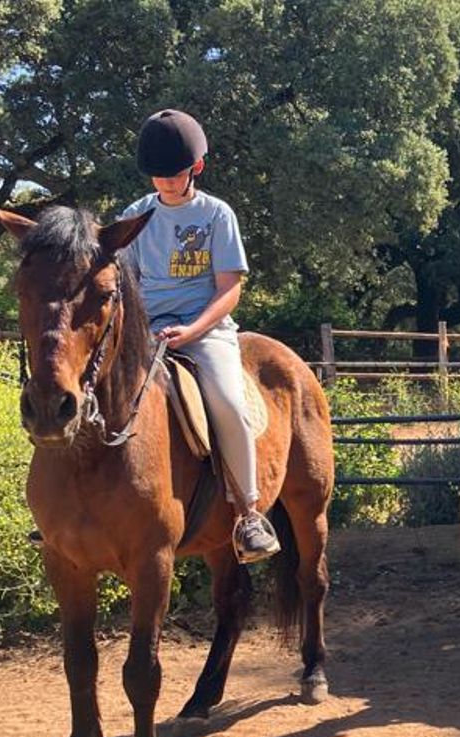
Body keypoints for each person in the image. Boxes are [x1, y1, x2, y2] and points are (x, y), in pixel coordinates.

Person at [121, 109, 279, 562]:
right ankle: (67, 510)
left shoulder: (216, 215)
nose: (166, 183)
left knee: (229, 404)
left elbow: (230, 289)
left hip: (204, 329)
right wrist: (137, 331)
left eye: (174, 175)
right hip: (144, 331)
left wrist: (192, 329)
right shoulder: (135, 216)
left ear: (196, 168)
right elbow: (121, 281)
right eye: (158, 176)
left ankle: (248, 513)